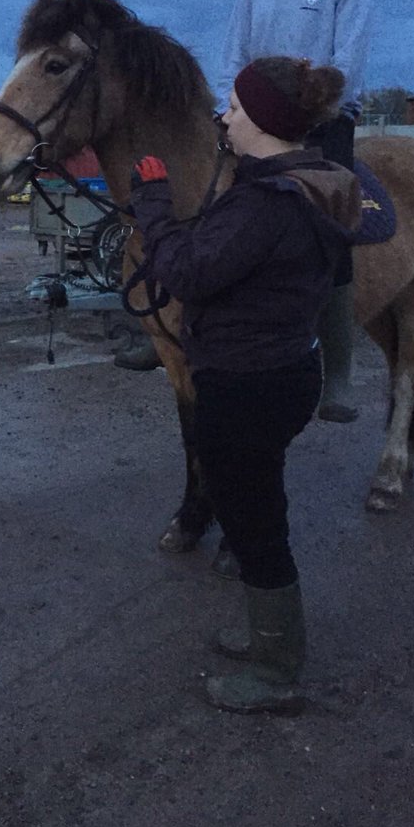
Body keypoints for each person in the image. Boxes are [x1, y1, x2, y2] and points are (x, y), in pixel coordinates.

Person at [129, 57, 362, 714]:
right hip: (287, 369)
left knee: (256, 525)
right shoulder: (318, 183)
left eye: (233, 107)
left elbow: (186, 272)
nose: (224, 117)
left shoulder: (265, 203)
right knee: (260, 508)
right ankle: (268, 636)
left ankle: (277, 670)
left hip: (244, 385)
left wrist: (152, 204)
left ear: (261, 120)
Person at [214, 0, 375, 421]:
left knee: (332, 227)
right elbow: (236, 56)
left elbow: (345, 65)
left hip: (320, 124)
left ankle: (339, 373)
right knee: (205, 202)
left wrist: (292, 115)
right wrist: (234, 113)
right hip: (256, 121)